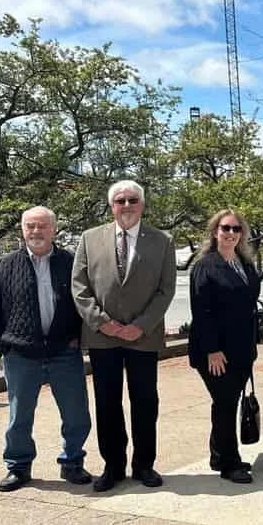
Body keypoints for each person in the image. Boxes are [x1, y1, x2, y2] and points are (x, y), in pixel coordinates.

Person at [71, 180, 177, 492]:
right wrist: (102, 322)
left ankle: (144, 464)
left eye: (132, 200)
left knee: (145, 402)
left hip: (143, 337)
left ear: (142, 204)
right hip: (103, 337)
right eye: (120, 201)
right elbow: (79, 286)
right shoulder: (90, 239)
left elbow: (166, 290)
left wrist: (140, 325)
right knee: (107, 404)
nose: (126, 206)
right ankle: (113, 465)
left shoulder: (162, 241)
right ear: (112, 206)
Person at [0, 206, 91, 492]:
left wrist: (80, 338)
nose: (36, 231)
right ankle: (18, 467)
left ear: (54, 229)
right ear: (22, 230)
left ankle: (72, 462)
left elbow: (87, 303)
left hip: (63, 352)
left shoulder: (72, 262)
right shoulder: (5, 265)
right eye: (30, 226)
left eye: (42, 226)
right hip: (21, 355)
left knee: (76, 414)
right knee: (19, 416)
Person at [188, 209, 263, 484]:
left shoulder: (244, 263)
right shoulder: (205, 266)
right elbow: (202, 311)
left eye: (236, 229)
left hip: (242, 349)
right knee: (225, 402)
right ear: (215, 231)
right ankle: (230, 464)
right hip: (215, 352)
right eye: (225, 228)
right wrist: (212, 350)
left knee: (224, 402)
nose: (230, 233)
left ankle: (219, 454)